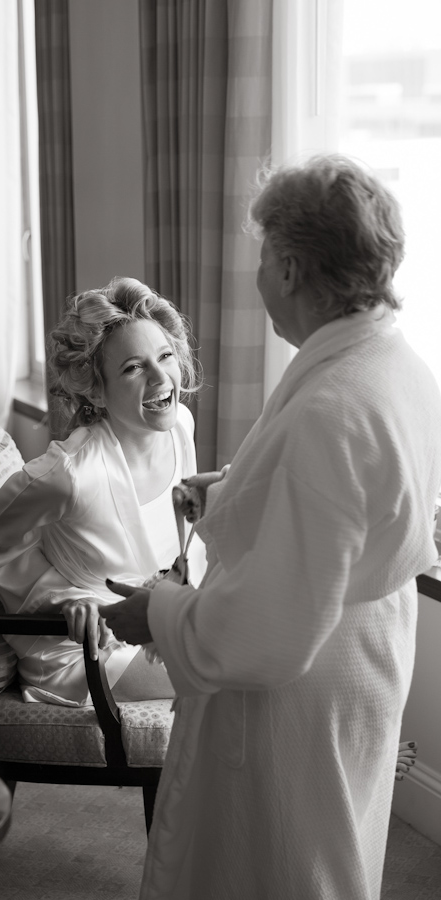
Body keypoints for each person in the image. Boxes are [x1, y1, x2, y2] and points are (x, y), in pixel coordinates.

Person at [102, 155, 441, 899]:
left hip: (305, 682)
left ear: (288, 269)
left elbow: (264, 632)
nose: (256, 275)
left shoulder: (333, 407)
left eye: (261, 256)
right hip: (363, 638)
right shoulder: (390, 362)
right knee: (332, 835)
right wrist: (234, 493)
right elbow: (350, 506)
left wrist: (153, 611)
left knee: (283, 860)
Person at [0, 276, 206, 707]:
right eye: (133, 367)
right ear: (96, 389)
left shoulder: (181, 429)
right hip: (90, 649)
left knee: (261, 648)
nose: (160, 378)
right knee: (223, 679)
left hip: (160, 620)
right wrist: (66, 599)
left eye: (165, 356)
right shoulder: (69, 474)